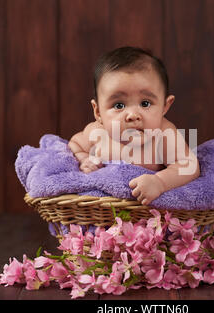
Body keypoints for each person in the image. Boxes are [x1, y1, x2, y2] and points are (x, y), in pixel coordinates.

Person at [68, 46, 199, 205]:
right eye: (118, 105)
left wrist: (159, 182)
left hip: (147, 218)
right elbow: (74, 144)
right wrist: (84, 158)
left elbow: (189, 166)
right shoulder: (96, 131)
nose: (132, 115)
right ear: (98, 112)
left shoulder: (164, 135)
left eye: (145, 103)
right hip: (101, 213)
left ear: (165, 106)